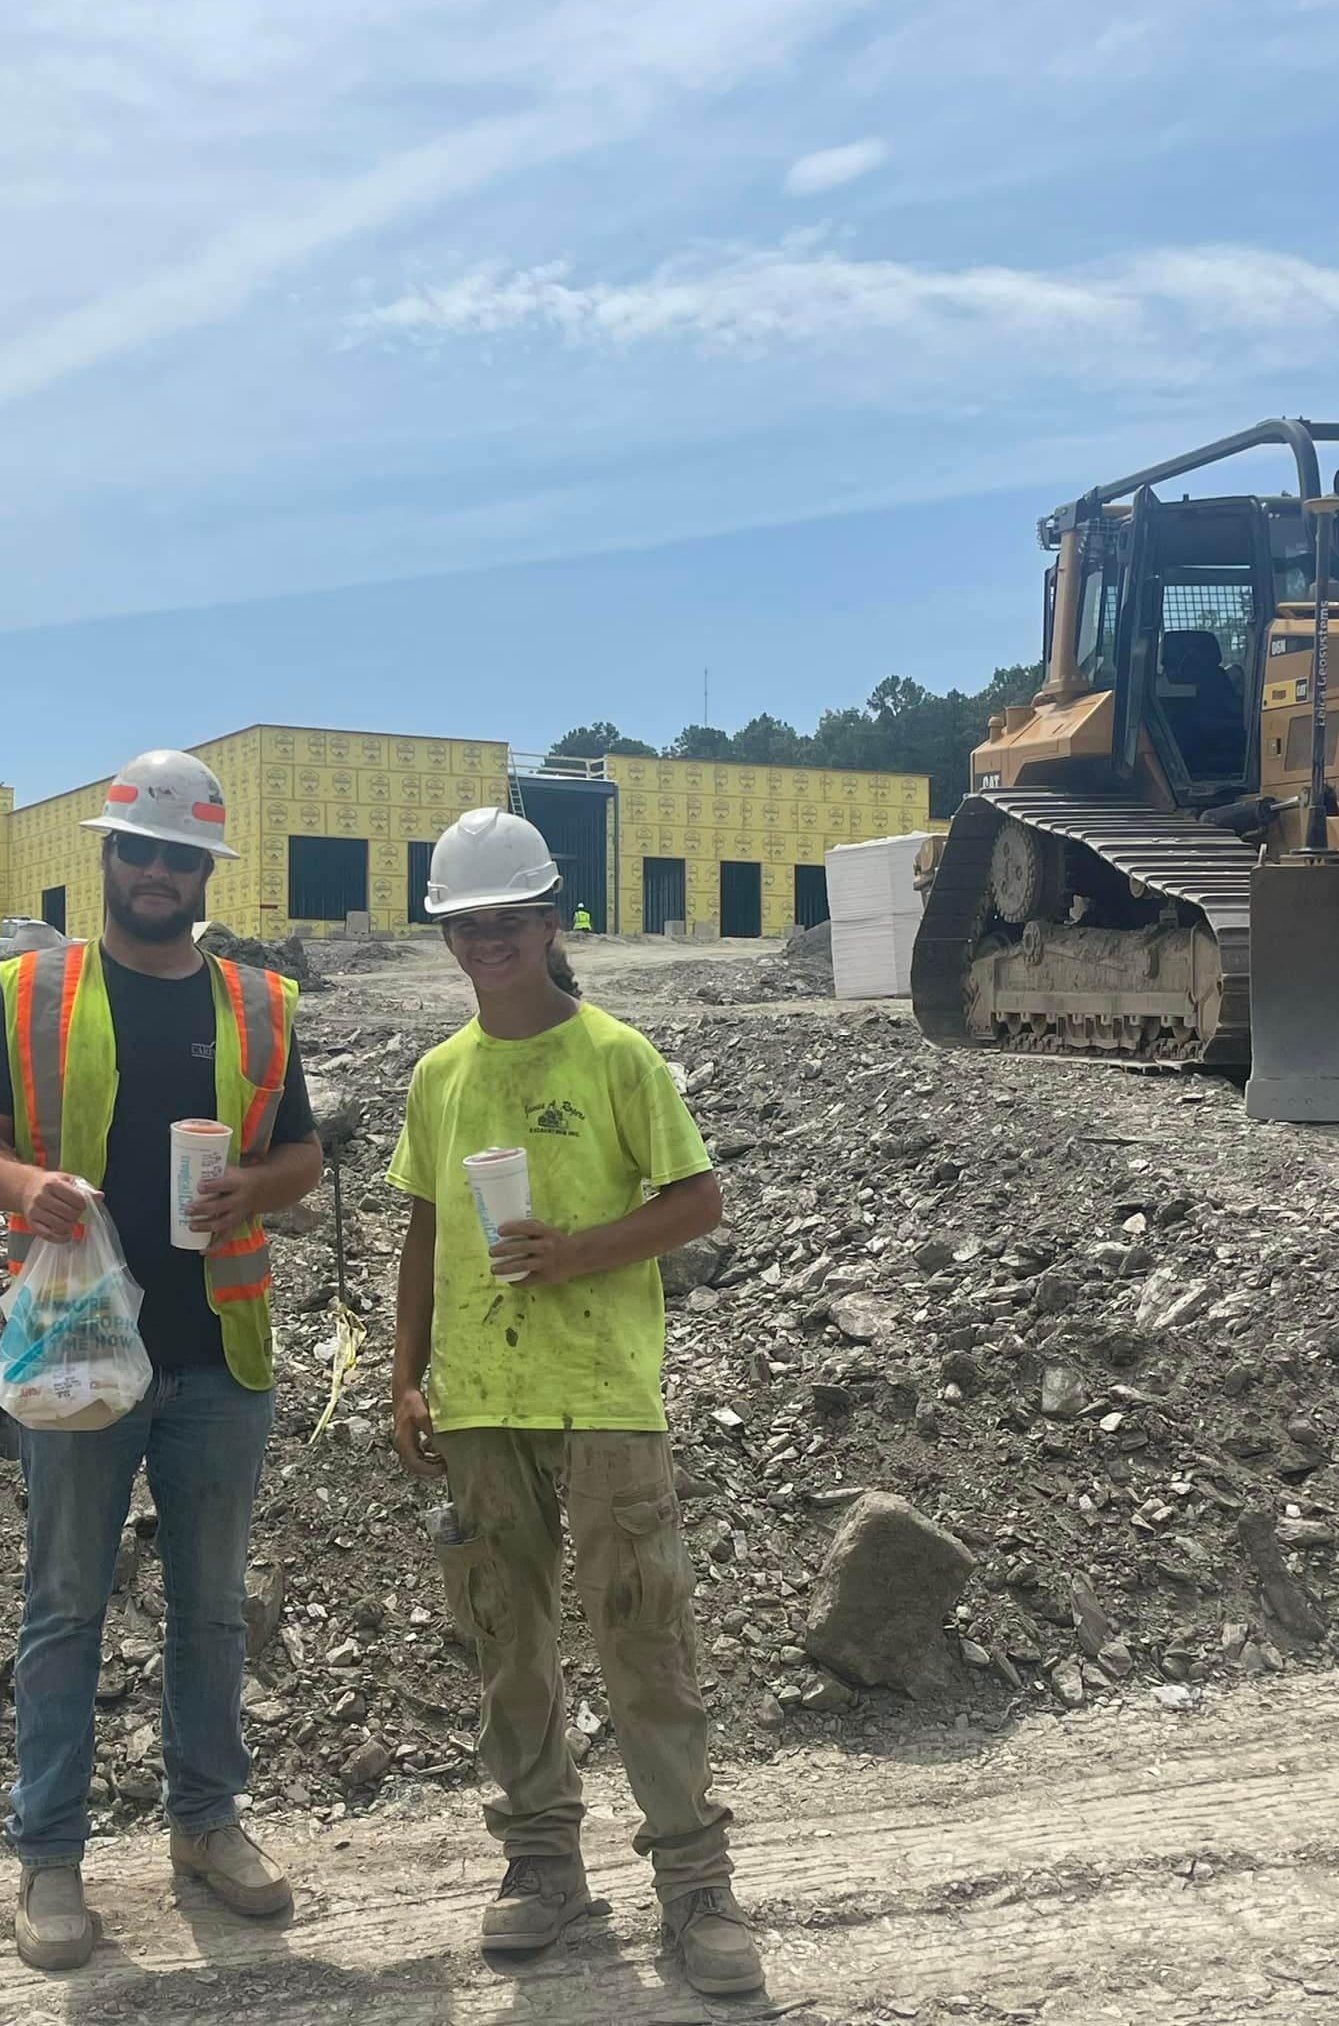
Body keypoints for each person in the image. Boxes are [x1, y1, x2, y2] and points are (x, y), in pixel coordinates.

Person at [0, 748, 323, 1973]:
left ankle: (206, 1823)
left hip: (219, 1350)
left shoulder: (260, 1005)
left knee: (212, 1606)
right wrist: (29, 1187)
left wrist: (253, 1186)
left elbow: (303, 1160)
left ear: (203, 870)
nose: (159, 871)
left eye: (182, 855)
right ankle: (48, 1853)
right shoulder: (29, 990)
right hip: (75, 1354)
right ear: (106, 857)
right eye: (141, 850)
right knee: (63, 1602)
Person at [386, 807, 763, 1998]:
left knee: (643, 1631)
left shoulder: (615, 1056)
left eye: (505, 921)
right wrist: (408, 1374)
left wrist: (578, 1251)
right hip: (481, 1394)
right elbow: (427, 1227)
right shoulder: (440, 1076)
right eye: (465, 925)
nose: (484, 943)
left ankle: (694, 1879)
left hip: (603, 1389)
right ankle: (541, 1860)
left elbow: (695, 1201)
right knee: (508, 1638)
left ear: (551, 922)